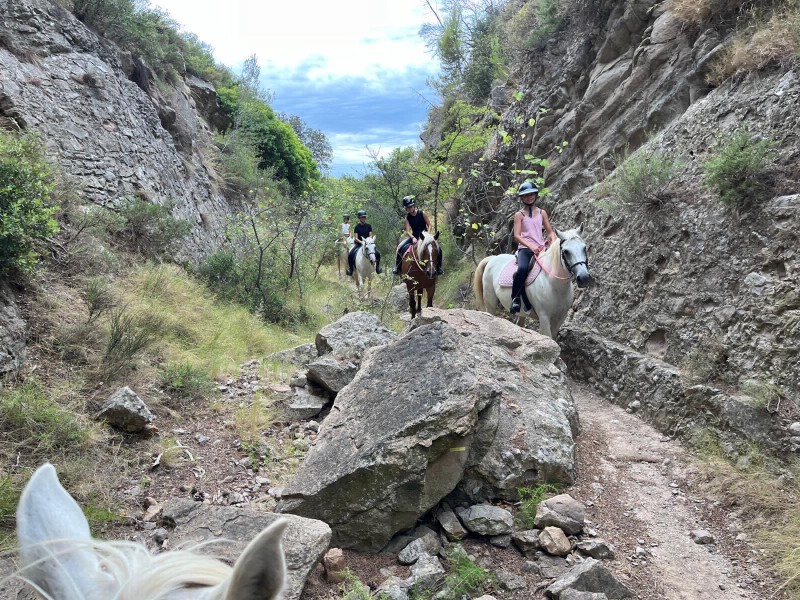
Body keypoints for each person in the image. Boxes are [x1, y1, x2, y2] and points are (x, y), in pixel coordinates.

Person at [510, 181, 556, 314]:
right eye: (525, 196)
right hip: (525, 249)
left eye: (531, 195)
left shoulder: (542, 213)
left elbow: (550, 231)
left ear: (535, 195)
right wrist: (530, 246)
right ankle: (515, 299)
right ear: (522, 198)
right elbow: (517, 236)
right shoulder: (519, 215)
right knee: (523, 269)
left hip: (541, 248)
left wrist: (552, 240)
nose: (529, 197)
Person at [392, 196, 444, 276]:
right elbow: (408, 231)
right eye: (407, 208)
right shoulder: (407, 218)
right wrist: (412, 237)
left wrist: (428, 234)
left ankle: (439, 268)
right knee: (400, 247)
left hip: (425, 236)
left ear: (414, 205)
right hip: (415, 237)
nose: (409, 209)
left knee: (439, 249)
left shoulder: (422, 213)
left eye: (410, 207)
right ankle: (397, 268)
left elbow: (429, 225)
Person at [346, 209, 382, 275]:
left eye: (364, 217)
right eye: (362, 217)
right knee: (351, 254)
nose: (364, 218)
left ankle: (377, 268)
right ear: (359, 218)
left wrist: (368, 241)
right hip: (359, 244)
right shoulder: (357, 227)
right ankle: (351, 269)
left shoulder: (369, 226)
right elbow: (356, 238)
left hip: (368, 244)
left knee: (378, 253)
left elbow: (370, 235)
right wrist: (362, 242)